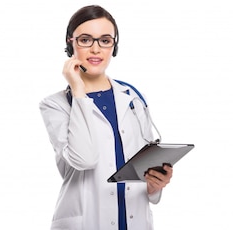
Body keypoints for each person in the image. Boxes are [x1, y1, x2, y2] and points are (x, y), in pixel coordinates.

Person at [39, 5, 173, 230]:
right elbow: (84, 159)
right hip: (87, 221)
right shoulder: (55, 105)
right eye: (85, 40)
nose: (95, 49)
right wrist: (78, 90)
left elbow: (142, 165)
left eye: (105, 40)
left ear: (114, 46)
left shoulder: (132, 98)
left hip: (135, 219)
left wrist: (155, 184)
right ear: (70, 43)